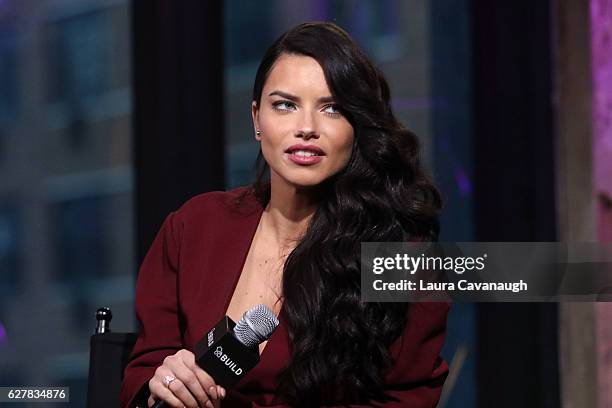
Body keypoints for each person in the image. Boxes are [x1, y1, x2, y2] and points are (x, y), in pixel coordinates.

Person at [120, 21, 449, 408]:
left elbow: (406, 400)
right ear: (258, 120)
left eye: (332, 109)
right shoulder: (193, 226)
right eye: (285, 105)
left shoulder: (401, 257)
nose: (306, 128)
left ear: (357, 126)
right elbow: (142, 372)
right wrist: (163, 383)